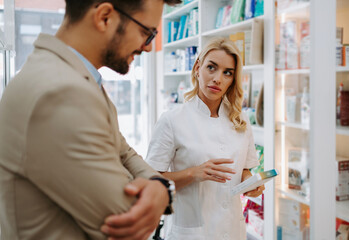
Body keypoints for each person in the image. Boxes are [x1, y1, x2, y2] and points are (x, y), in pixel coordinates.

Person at [0, 0, 180, 239]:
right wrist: (160, 192)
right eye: (147, 33)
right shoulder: (59, 91)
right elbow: (127, 218)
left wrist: (160, 187)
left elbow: (123, 152)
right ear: (104, 16)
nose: (148, 47)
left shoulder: (77, 78)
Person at [104, 37, 265, 239]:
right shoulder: (172, 120)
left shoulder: (240, 121)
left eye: (227, 73)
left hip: (231, 229)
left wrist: (251, 183)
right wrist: (193, 174)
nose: (218, 79)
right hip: (190, 233)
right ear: (198, 68)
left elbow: (244, 169)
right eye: (211, 68)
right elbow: (150, 179)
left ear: (233, 80)